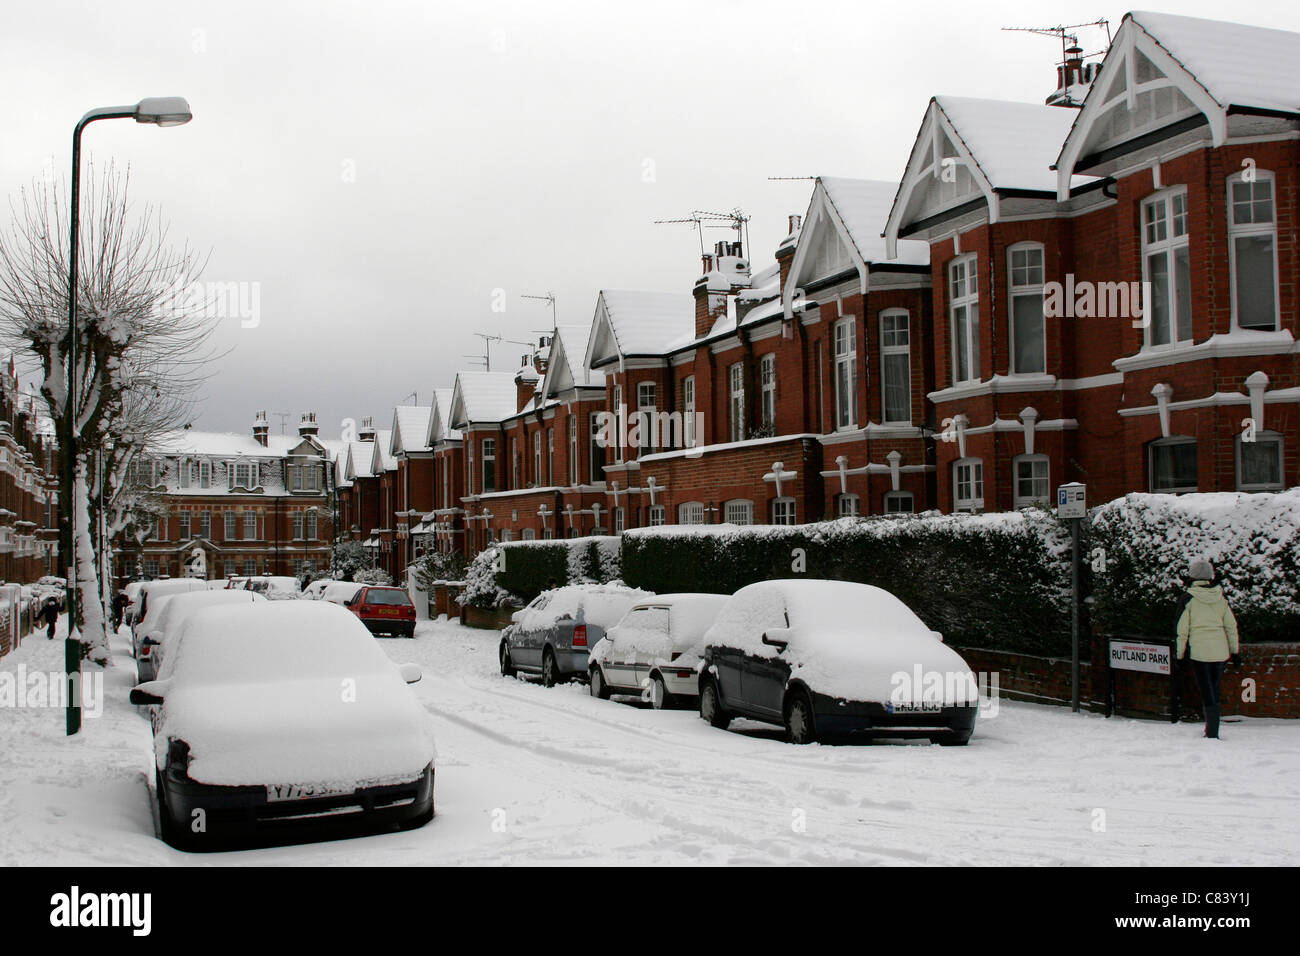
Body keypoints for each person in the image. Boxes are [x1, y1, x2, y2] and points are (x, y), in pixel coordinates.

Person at [1175, 558, 1241, 739]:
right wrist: (1235, 652)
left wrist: (1179, 655)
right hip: (1220, 651)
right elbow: (1231, 626)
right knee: (1214, 687)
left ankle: (1212, 731)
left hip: (1200, 652)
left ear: (1192, 576)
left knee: (1206, 690)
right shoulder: (1221, 598)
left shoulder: (1188, 598)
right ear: (1210, 576)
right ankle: (1212, 728)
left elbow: (1182, 630)